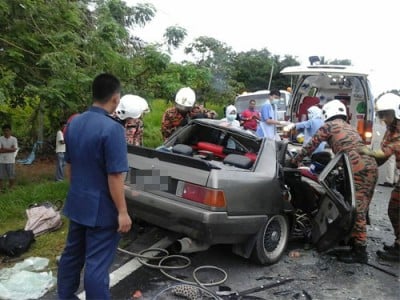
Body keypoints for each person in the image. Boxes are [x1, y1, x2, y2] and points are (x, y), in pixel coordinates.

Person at [57, 73, 132, 300]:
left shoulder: (74, 122)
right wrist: (122, 212)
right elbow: (115, 177)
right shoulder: (113, 129)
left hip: (78, 202)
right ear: (115, 98)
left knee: (72, 255)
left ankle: (65, 296)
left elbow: (69, 165)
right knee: (97, 265)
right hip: (102, 210)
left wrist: (79, 191)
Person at [291, 99, 378, 263]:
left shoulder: (329, 126)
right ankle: (353, 239)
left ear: (326, 113)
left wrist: (294, 161)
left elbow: (311, 145)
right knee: (362, 206)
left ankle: (360, 252)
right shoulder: (349, 127)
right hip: (370, 165)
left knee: (357, 208)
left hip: (357, 167)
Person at [360, 93, 400, 261]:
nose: (383, 118)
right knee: (394, 208)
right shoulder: (390, 130)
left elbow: (388, 150)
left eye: (386, 114)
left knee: (396, 208)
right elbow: (382, 157)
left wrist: (367, 151)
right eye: (381, 115)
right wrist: (365, 168)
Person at [0, 124, 18, 190]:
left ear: (10, 131)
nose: (6, 132)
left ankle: (11, 189)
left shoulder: (14, 139)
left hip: (11, 160)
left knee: (11, 176)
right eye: (4, 131)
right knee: (0, 176)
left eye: (7, 130)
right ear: (2, 131)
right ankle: (1, 189)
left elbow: (15, 149)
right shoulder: (0, 139)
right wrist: (10, 149)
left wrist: (3, 148)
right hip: (1, 160)